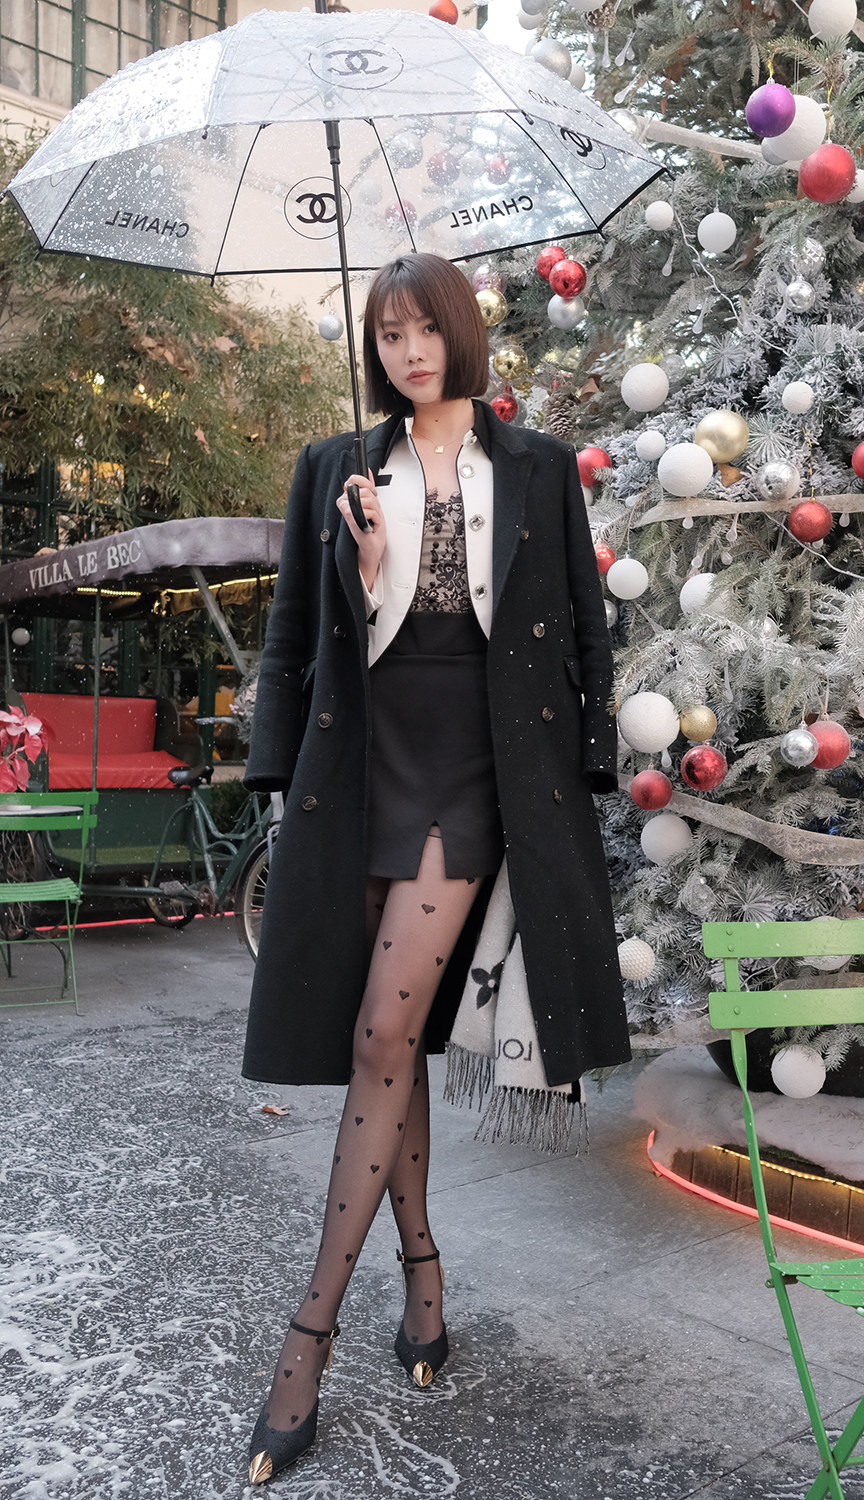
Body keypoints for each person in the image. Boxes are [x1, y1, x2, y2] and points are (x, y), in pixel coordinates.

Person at [240, 252, 630, 1485]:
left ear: (462, 334)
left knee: (377, 1034)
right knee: (390, 1042)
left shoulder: (539, 466)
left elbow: (582, 627)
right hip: (361, 762)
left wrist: (585, 769)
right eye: (389, 334)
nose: (409, 352)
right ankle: (422, 1277)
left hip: (475, 768)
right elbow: (293, 638)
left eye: (425, 330)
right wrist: (358, 580)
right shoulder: (336, 469)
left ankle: (307, 1335)